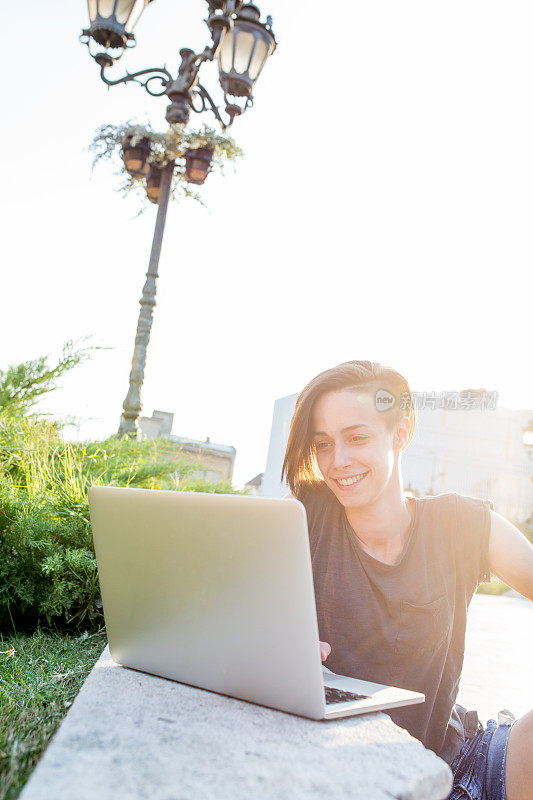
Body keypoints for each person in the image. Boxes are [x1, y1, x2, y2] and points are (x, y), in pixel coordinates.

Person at [281, 360, 533, 800]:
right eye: (322, 444)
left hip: (463, 759)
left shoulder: (460, 523)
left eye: (357, 437)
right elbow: (240, 614)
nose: (337, 462)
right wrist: (278, 646)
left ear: (402, 431)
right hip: (352, 774)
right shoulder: (305, 515)